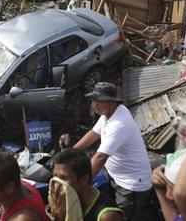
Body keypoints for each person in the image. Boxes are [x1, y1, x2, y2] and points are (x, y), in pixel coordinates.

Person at [62, 82, 154, 220]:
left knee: (122, 216)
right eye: (93, 100)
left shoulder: (118, 123)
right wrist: (72, 151)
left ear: (112, 102)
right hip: (113, 174)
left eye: (99, 100)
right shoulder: (108, 114)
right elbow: (94, 133)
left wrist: (81, 184)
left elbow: (100, 157)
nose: (94, 104)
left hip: (130, 184)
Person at [52, 148, 122, 221]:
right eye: (55, 176)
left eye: (63, 178)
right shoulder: (63, 202)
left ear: (84, 179)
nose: (56, 184)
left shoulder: (107, 216)